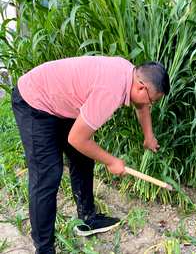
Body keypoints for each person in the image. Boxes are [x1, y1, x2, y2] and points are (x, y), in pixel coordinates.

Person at [11, 56, 170, 254]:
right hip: (34, 101)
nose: (150, 104)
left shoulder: (130, 73)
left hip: (59, 100)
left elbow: (142, 105)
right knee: (48, 175)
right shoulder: (110, 91)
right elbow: (77, 139)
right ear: (140, 87)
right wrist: (111, 161)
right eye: (153, 100)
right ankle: (44, 248)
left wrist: (149, 136)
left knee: (83, 159)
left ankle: (87, 219)